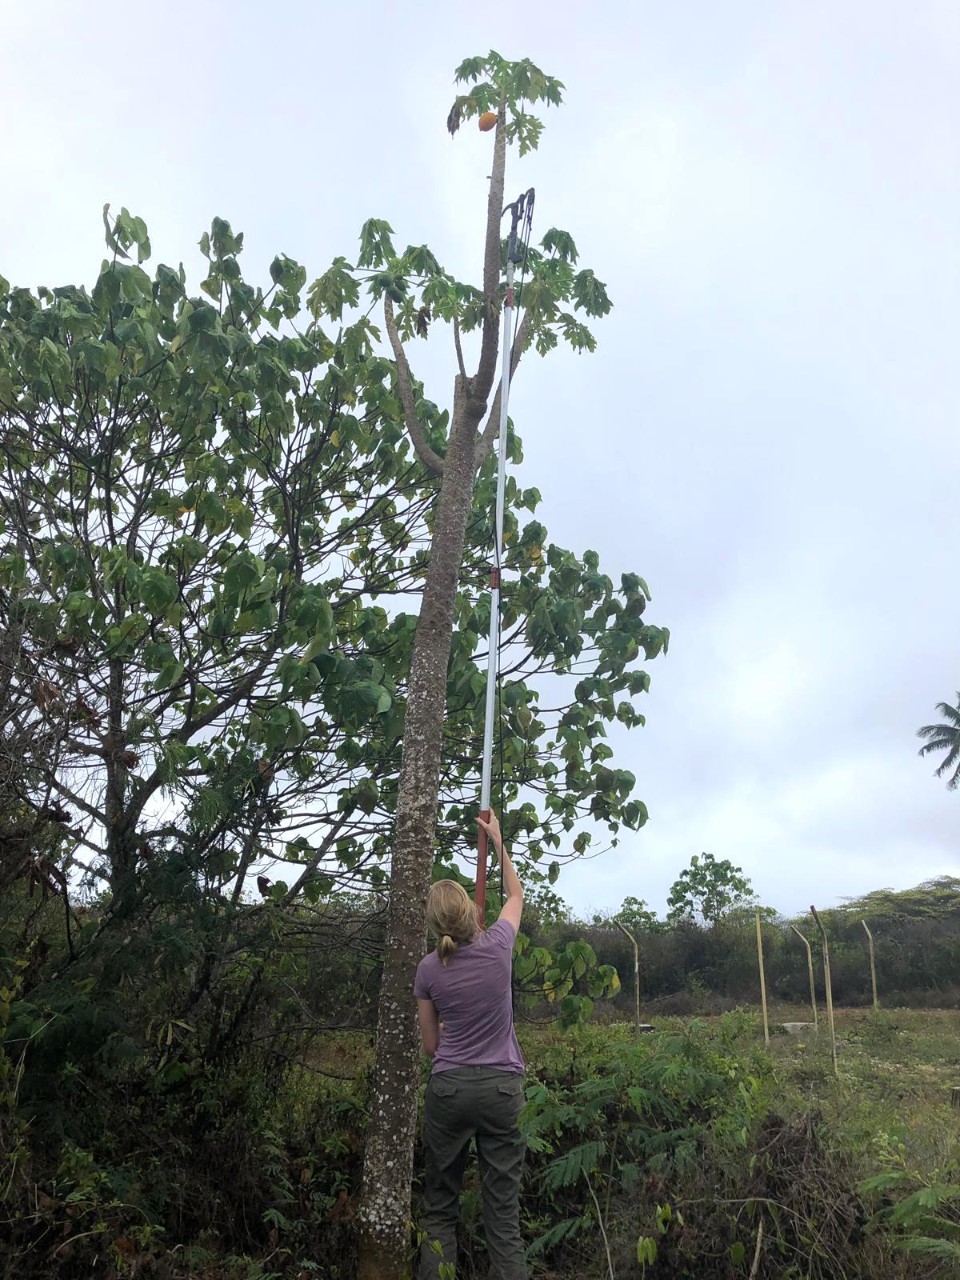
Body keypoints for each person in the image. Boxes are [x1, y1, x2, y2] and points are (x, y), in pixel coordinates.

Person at [413, 810, 527, 1280]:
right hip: (503, 1089)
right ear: (471, 910)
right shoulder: (500, 944)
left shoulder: (427, 969)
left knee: (440, 1206)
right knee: (504, 1214)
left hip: (451, 1089)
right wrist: (497, 841)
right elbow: (517, 894)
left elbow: (430, 1046)